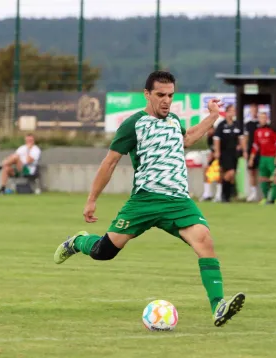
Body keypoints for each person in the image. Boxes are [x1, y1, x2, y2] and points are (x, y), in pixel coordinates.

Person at [53, 71, 245, 328]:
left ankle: (218, 307)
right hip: (144, 200)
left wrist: (212, 116)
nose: (167, 101)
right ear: (147, 94)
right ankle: (78, 241)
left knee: (204, 240)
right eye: (161, 95)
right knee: (104, 252)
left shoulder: (174, 121)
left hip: (178, 201)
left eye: (170, 95)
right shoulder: (133, 124)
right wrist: (92, 199)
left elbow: (187, 139)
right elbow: (110, 162)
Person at [213, 104, 247, 202]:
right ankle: (224, 195)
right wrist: (217, 151)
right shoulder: (221, 125)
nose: (232, 113)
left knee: (231, 174)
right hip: (224, 153)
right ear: (226, 112)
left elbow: (241, 139)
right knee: (229, 173)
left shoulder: (237, 125)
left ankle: (226, 196)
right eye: (230, 111)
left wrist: (244, 151)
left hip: (234, 153)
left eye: (233, 111)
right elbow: (216, 139)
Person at [248, 112, 276, 203]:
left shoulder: (271, 131)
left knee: (274, 178)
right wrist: (251, 158)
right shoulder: (257, 132)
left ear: (267, 119)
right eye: (260, 118)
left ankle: (275, 198)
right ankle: (265, 197)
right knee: (263, 178)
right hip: (262, 158)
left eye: (264, 118)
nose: (262, 119)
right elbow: (255, 146)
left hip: (271, 158)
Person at [244, 104, 260, 202]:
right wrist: (245, 151)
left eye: (255, 109)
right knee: (252, 172)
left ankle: (260, 193)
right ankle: (253, 193)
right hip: (251, 151)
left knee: (261, 172)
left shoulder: (261, 123)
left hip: (260, 151)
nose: (254, 111)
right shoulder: (248, 124)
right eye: (252, 109)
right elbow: (245, 138)